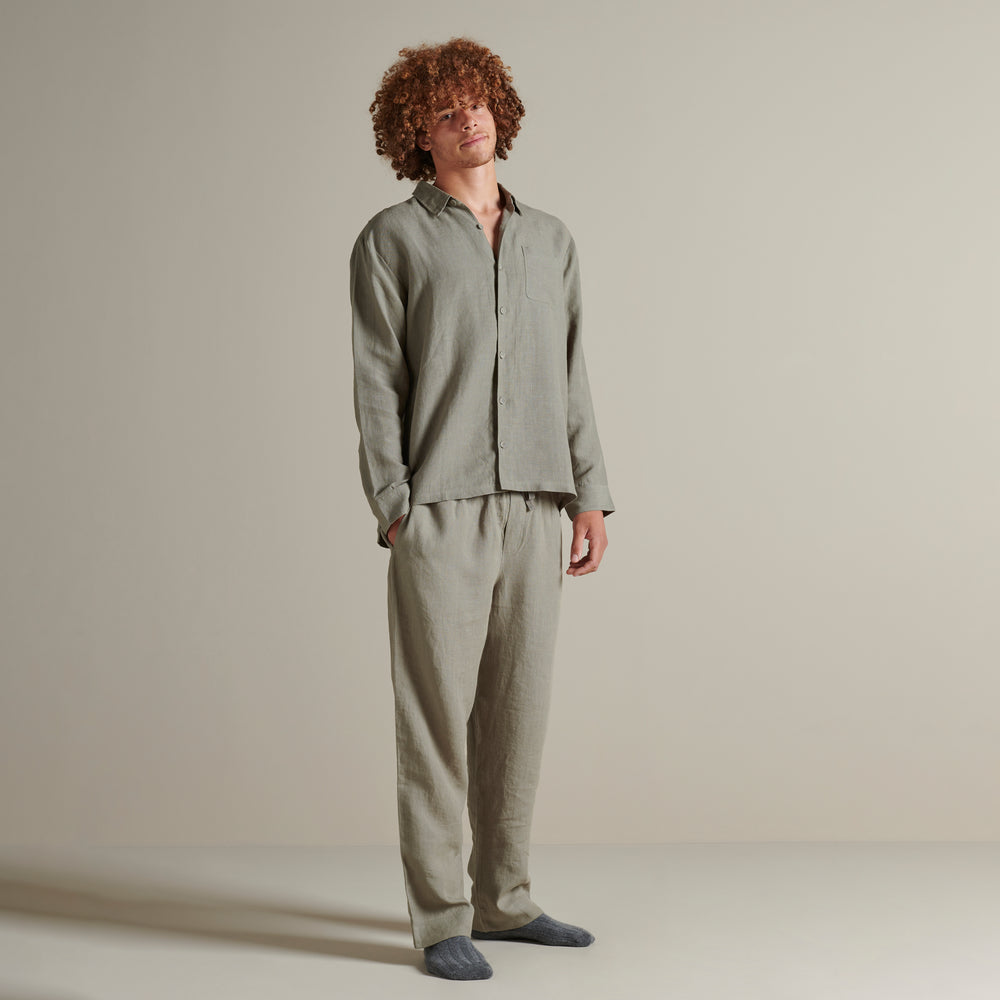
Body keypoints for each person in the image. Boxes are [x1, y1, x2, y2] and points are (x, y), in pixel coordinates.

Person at [350, 36, 616, 981]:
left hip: (538, 505)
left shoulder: (552, 241)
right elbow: (377, 379)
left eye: (478, 101)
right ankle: (441, 918)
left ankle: (505, 898)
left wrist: (590, 495)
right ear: (416, 134)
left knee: (517, 712)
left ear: (499, 109)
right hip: (441, 507)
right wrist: (395, 505)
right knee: (434, 723)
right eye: (444, 109)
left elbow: (572, 373)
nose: (468, 118)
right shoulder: (392, 239)